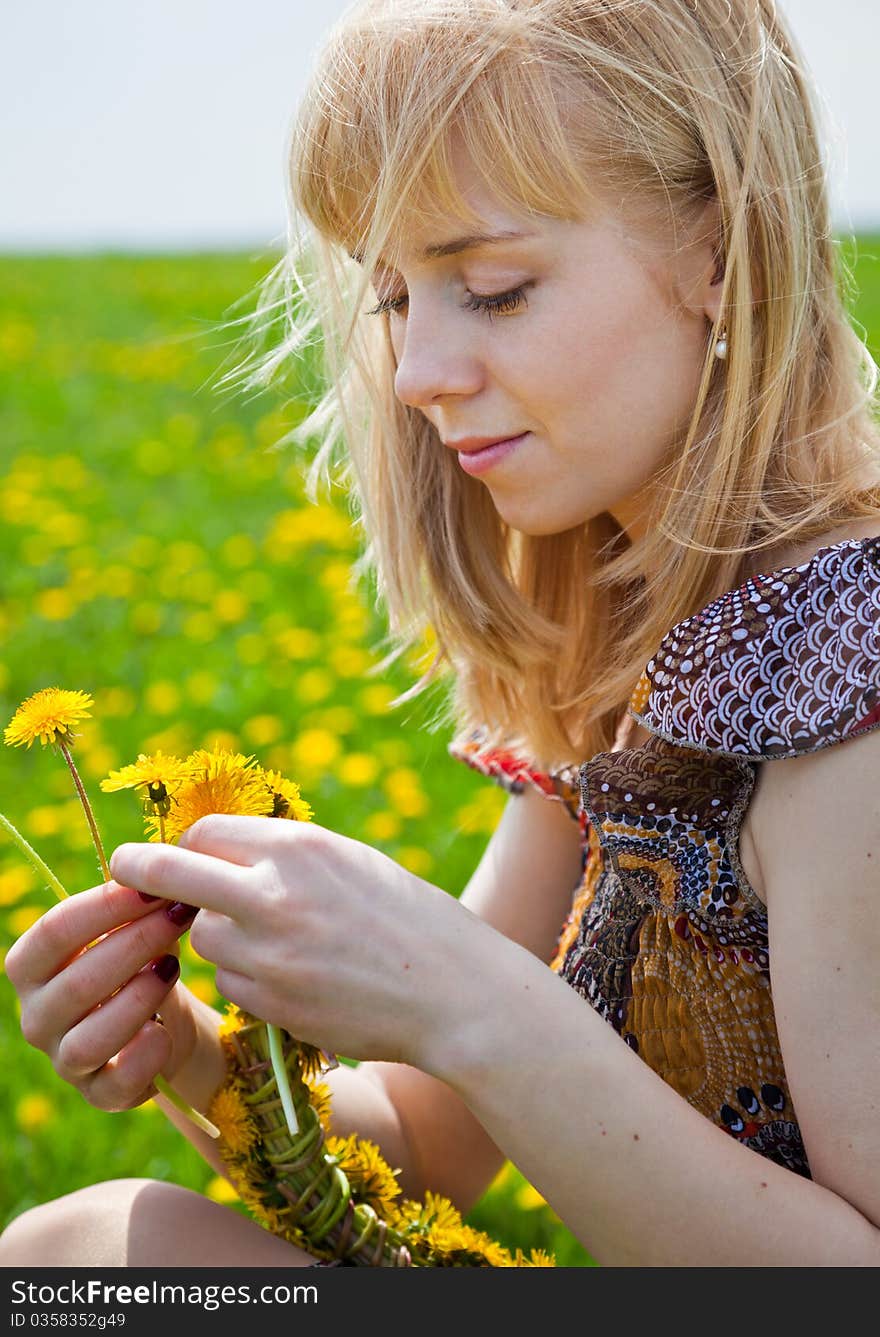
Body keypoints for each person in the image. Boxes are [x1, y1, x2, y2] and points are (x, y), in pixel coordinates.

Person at [2, 0, 880, 1268]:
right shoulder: (633, 669)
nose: (416, 372)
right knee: (92, 1252)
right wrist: (188, 1045)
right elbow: (427, 1132)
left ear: (721, 255)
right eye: (396, 297)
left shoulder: (845, 686)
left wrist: (481, 1005)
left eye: (493, 288)